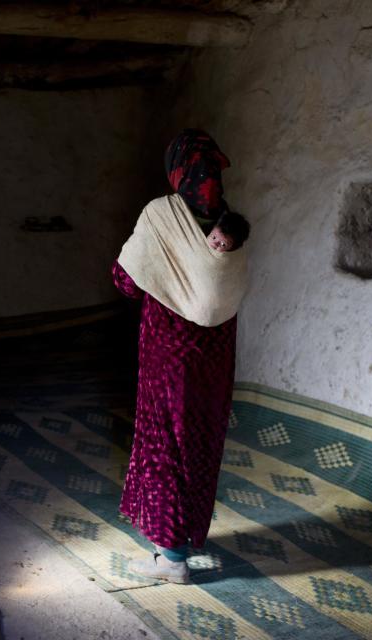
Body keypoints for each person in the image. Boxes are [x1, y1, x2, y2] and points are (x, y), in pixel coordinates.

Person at [112, 130, 250, 584]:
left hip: (169, 354)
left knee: (164, 444)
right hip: (215, 355)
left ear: (177, 170)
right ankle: (180, 538)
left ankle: (170, 559)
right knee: (198, 442)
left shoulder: (161, 214)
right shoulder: (227, 220)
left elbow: (126, 281)